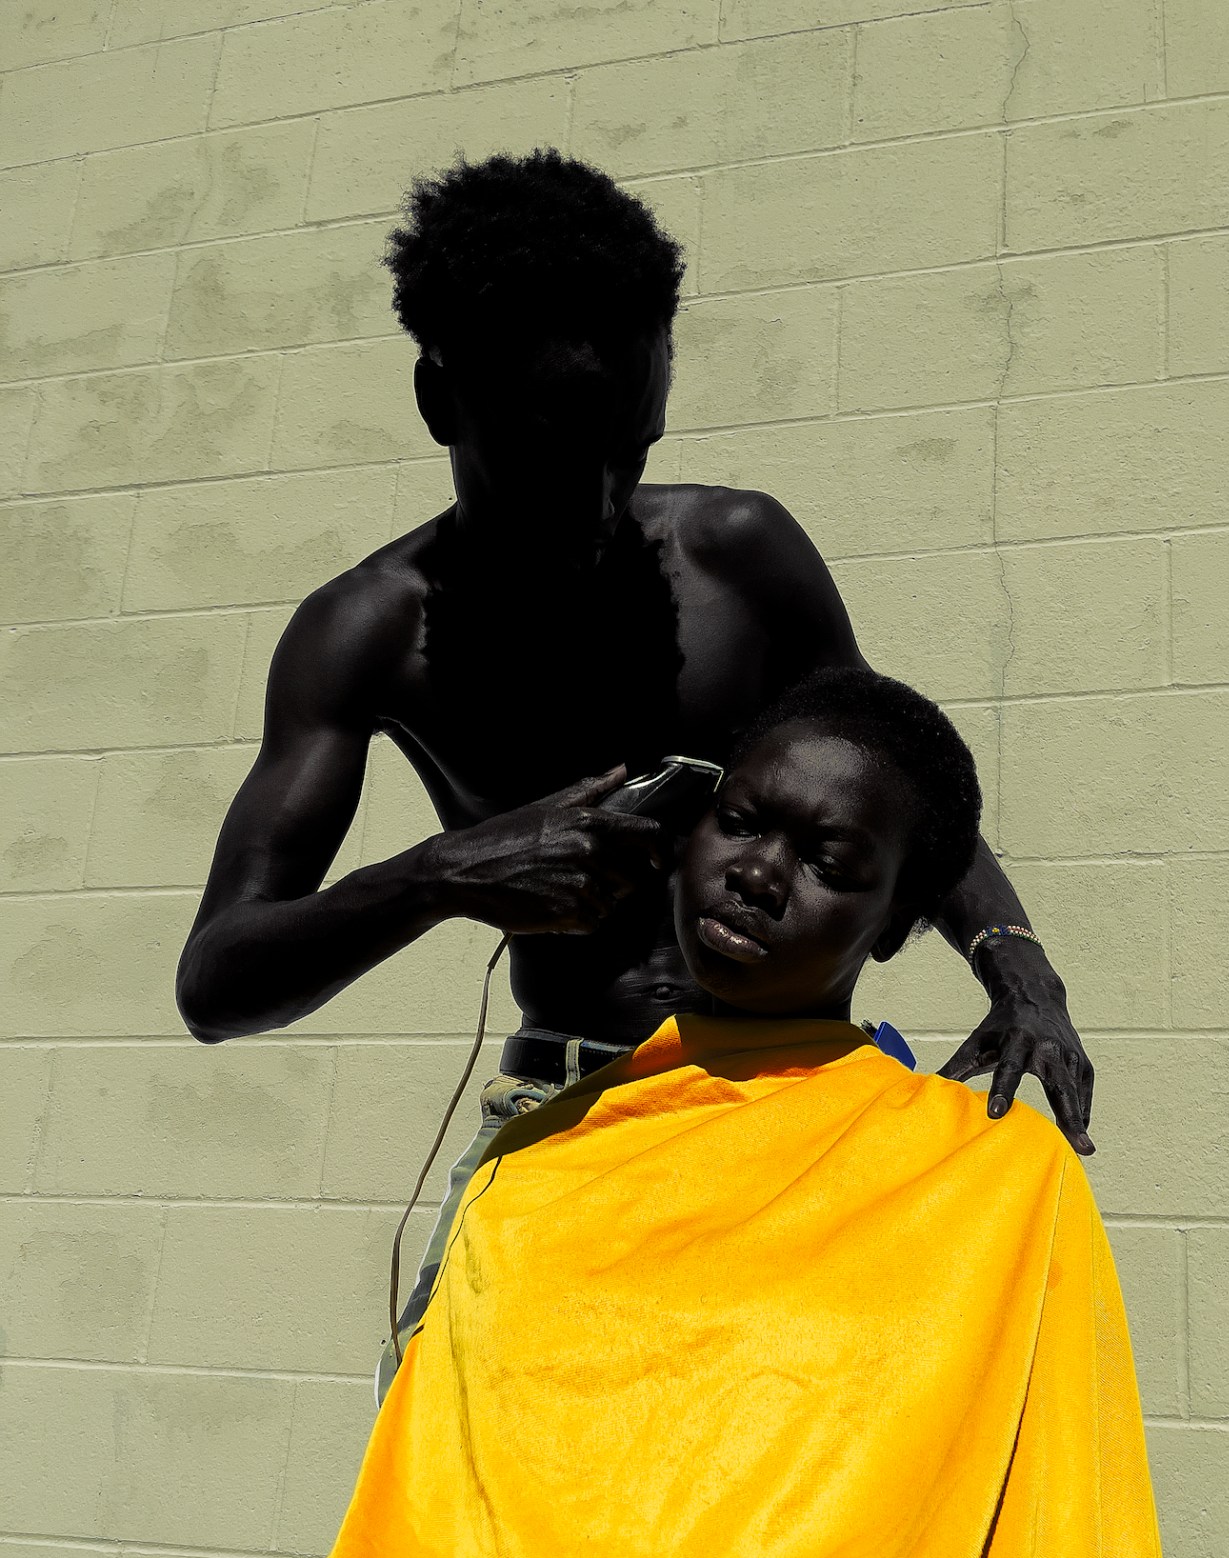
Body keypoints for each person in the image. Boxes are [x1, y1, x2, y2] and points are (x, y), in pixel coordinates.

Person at [0, 672, 1174, 1558]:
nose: (761, 875)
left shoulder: (982, 1179)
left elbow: (1030, 1556)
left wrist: (1021, 960)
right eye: (743, 823)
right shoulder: (540, 1171)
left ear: (903, 918)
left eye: (832, 861)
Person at [174, 148, 1096, 1164]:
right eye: (555, 461)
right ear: (442, 403)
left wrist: (1018, 964)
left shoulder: (740, 556)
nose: (604, 503)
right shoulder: (362, 634)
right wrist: (435, 879)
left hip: (790, 1091)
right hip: (566, 1109)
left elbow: (902, 784)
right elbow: (217, 984)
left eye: (635, 449)